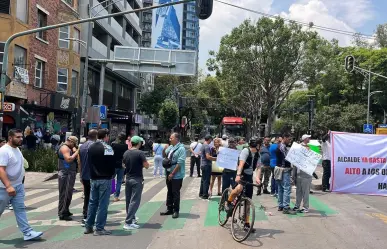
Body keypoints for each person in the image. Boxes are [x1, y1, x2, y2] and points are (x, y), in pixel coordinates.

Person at [0, 129, 43, 240]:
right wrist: (8, 186)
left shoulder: (17, 149)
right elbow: (1, 169)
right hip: (4, 188)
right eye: (18, 137)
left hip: (18, 186)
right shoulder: (4, 151)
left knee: (20, 209)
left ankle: (27, 232)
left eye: (21, 136)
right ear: (10, 138)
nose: (21, 139)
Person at [225, 137, 262, 232]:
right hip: (240, 173)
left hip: (249, 176)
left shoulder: (258, 154)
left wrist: (257, 178)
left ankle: (246, 223)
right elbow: (241, 164)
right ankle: (228, 202)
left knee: (248, 201)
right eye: (260, 145)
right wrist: (238, 175)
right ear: (257, 145)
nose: (261, 147)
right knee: (239, 188)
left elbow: (258, 167)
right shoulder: (246, 151)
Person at [84, 129, 115, 236]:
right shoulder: (107, 147)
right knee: (103, 204)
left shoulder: (91, 147)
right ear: (106, 136)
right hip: (105, 178)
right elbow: (112, 164)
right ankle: (99, 228)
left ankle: (88, 226)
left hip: (93, 178)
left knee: (92, 203)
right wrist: (112, 175)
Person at [122, 136, 150, 230]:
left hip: (128, 178)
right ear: (139, 143)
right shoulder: (140, 153)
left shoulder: (126, 152)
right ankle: (128, 222)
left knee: (128, 200)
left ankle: (131, 218)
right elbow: (146, 166)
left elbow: (123, 165)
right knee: (135, 201)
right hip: (137, 179)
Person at [160, 133, 186, 219]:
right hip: (168, 172)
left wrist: (172, 173)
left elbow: (180, 163)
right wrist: (164, 149)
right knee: (169, 191)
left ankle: (176, 210)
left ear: (176, 139)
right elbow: (165, 156)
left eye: (171, 138)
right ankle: (169, 208)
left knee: (175, 192)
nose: (169, 139)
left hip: (176, 175)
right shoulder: (171, 147)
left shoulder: (181, 149)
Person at [78, 129, 98, 226]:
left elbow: (80, 162)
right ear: (96, 136)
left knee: (87, 196)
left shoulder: (82, 147)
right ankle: (90, 217)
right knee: (94, 198)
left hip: (85, 175)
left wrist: (81, 174)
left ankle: (85, 215)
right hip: (94, 175)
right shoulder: (95, 146)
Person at [57, 136, 79, 221]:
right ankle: (62, 213)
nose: (74, 145)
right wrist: (77, 152)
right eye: (73, 143)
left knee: (68, 193)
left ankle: (66, 209)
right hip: (66, 173)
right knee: (65, 194)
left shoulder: (68, 147)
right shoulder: (64, 148)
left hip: (69, 173)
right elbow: (69, 159)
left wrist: (74, 150)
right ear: (69, 141)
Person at [293, 134, 313, 213]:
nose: (310, 139)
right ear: (305, 139)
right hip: (302, 173)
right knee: (301, 191)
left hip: (304, 173)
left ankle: (303, 207)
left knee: (302, 191)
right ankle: (300, 206)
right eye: (308, 138)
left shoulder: (307, 147)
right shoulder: (301, 147)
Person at [275, 133, 294, 214]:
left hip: (279, 169)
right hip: (284, 170)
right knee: (286, 188)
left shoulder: (279, 146)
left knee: (280, 188)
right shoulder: (283, 147)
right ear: (284, 138)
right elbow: (287, 158)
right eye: (289, 139)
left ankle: (280, 205)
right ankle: (286, 207)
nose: (289, 141)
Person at [111, 133, 128, 202]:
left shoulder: (113, 144)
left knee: (112, 179)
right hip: (122, 164)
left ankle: (111, 191)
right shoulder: (125, 146)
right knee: (119, 181)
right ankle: (116, 196)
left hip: (113, 164)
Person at [199, 135, 216, 199]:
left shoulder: (203, 145)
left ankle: (201, 193)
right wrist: (216, 159)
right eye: (211, 140)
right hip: (207, 165)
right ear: (209, 139)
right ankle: (205, 194)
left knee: (203, 180)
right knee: (206, 180)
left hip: (203, 164)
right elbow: (208, 157)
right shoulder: (207, 146)